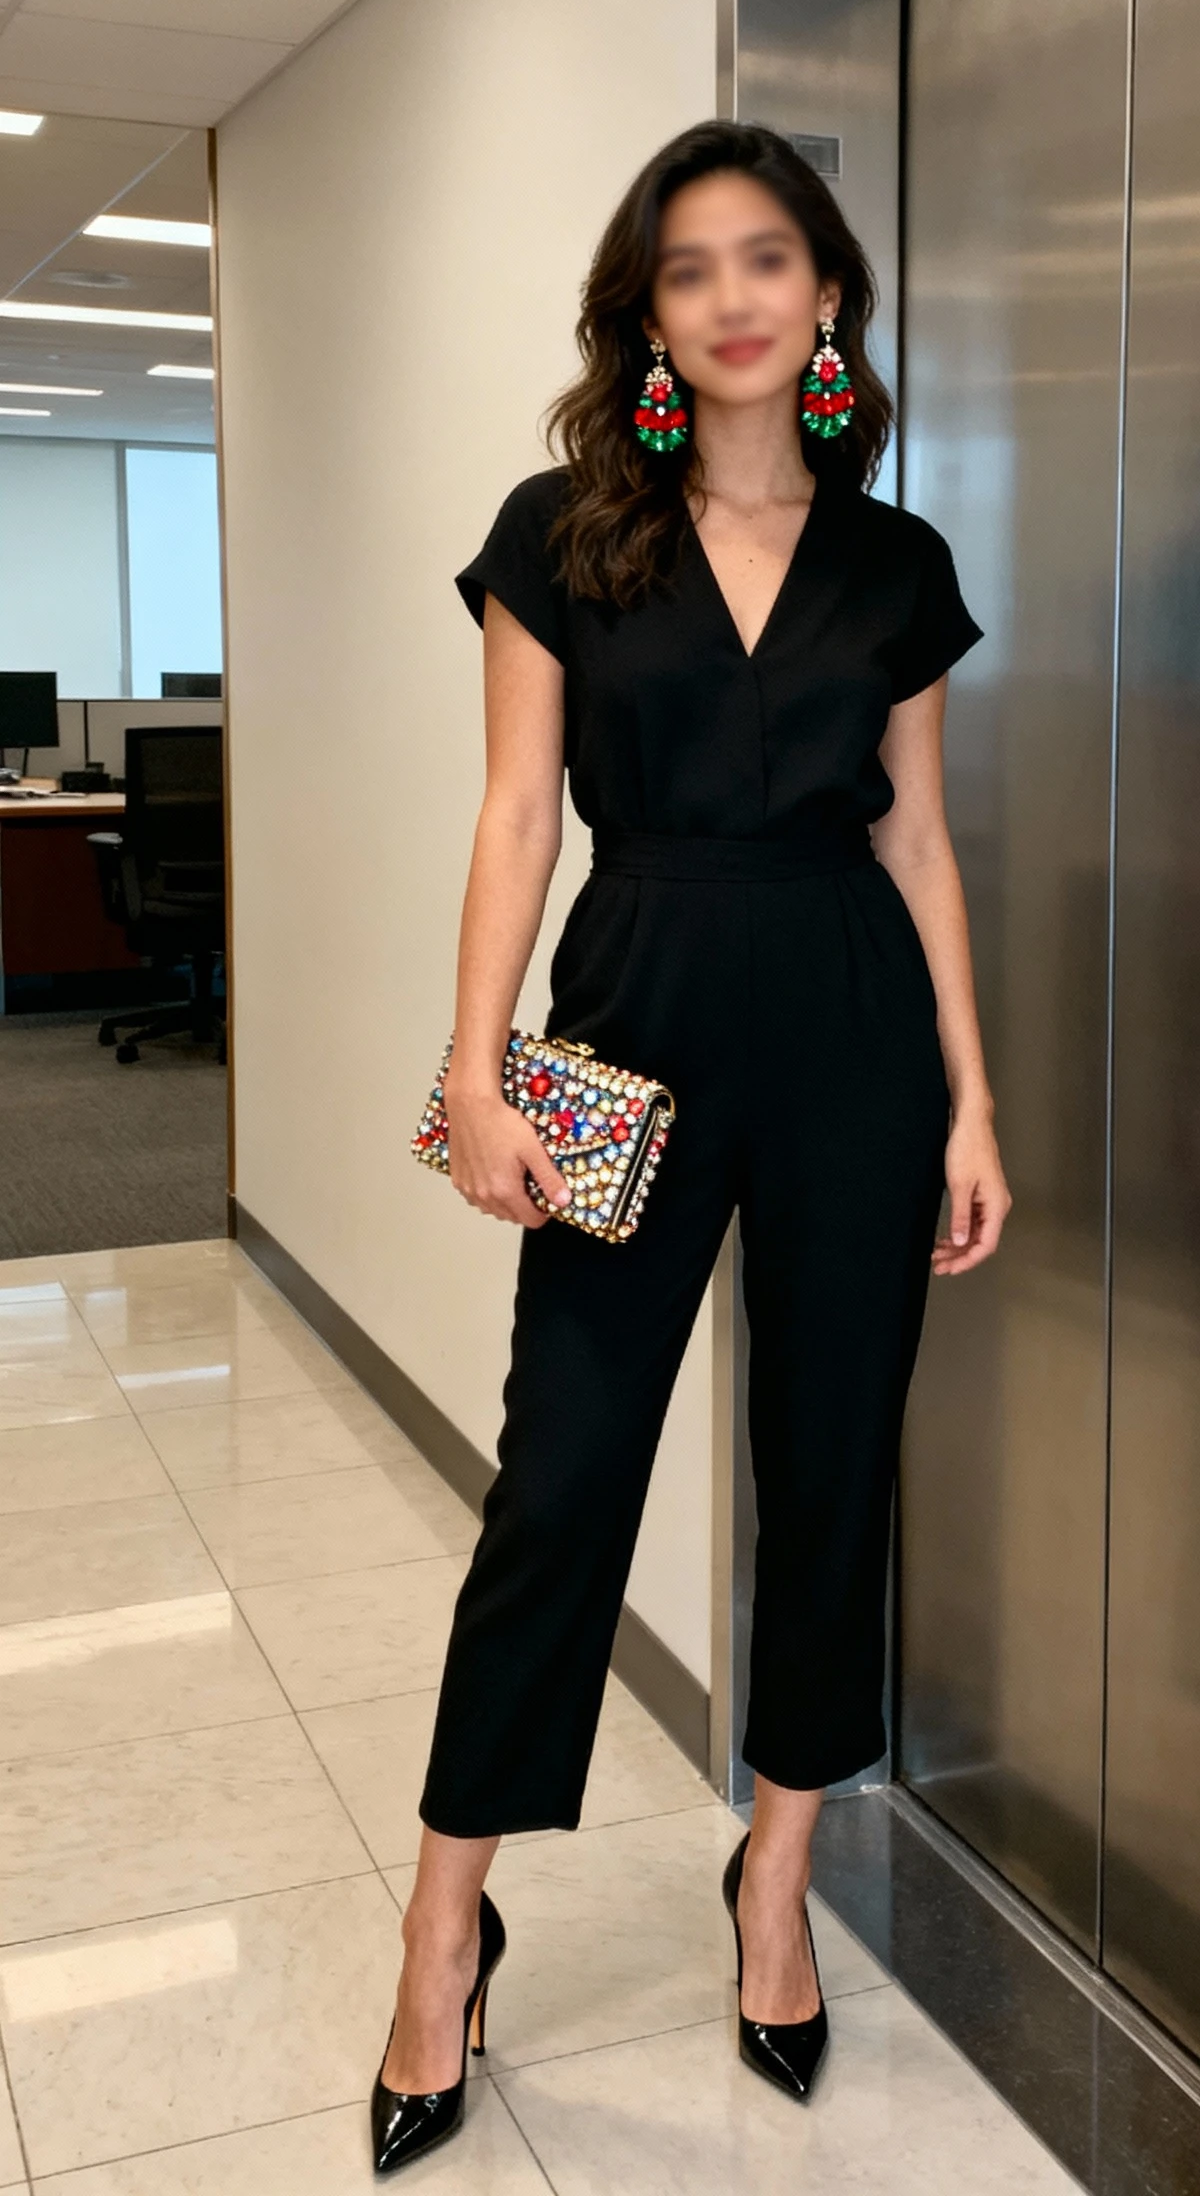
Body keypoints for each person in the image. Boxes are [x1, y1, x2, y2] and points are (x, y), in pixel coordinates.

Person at [371, 120, 1011, 2174]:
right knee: (560, 1475)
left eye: (769, 259)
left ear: (827, 294)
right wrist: (476, 1072)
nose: (734, 296)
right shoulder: (563, 532)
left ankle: (776, 1877)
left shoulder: (895, 564)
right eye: (689, 269)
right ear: (645, 317)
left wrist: (973, 1092)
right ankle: (444, 1923)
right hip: (630, 1016)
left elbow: (915, 838)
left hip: (850, 1037)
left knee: (832, 1468)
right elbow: (513, 815)